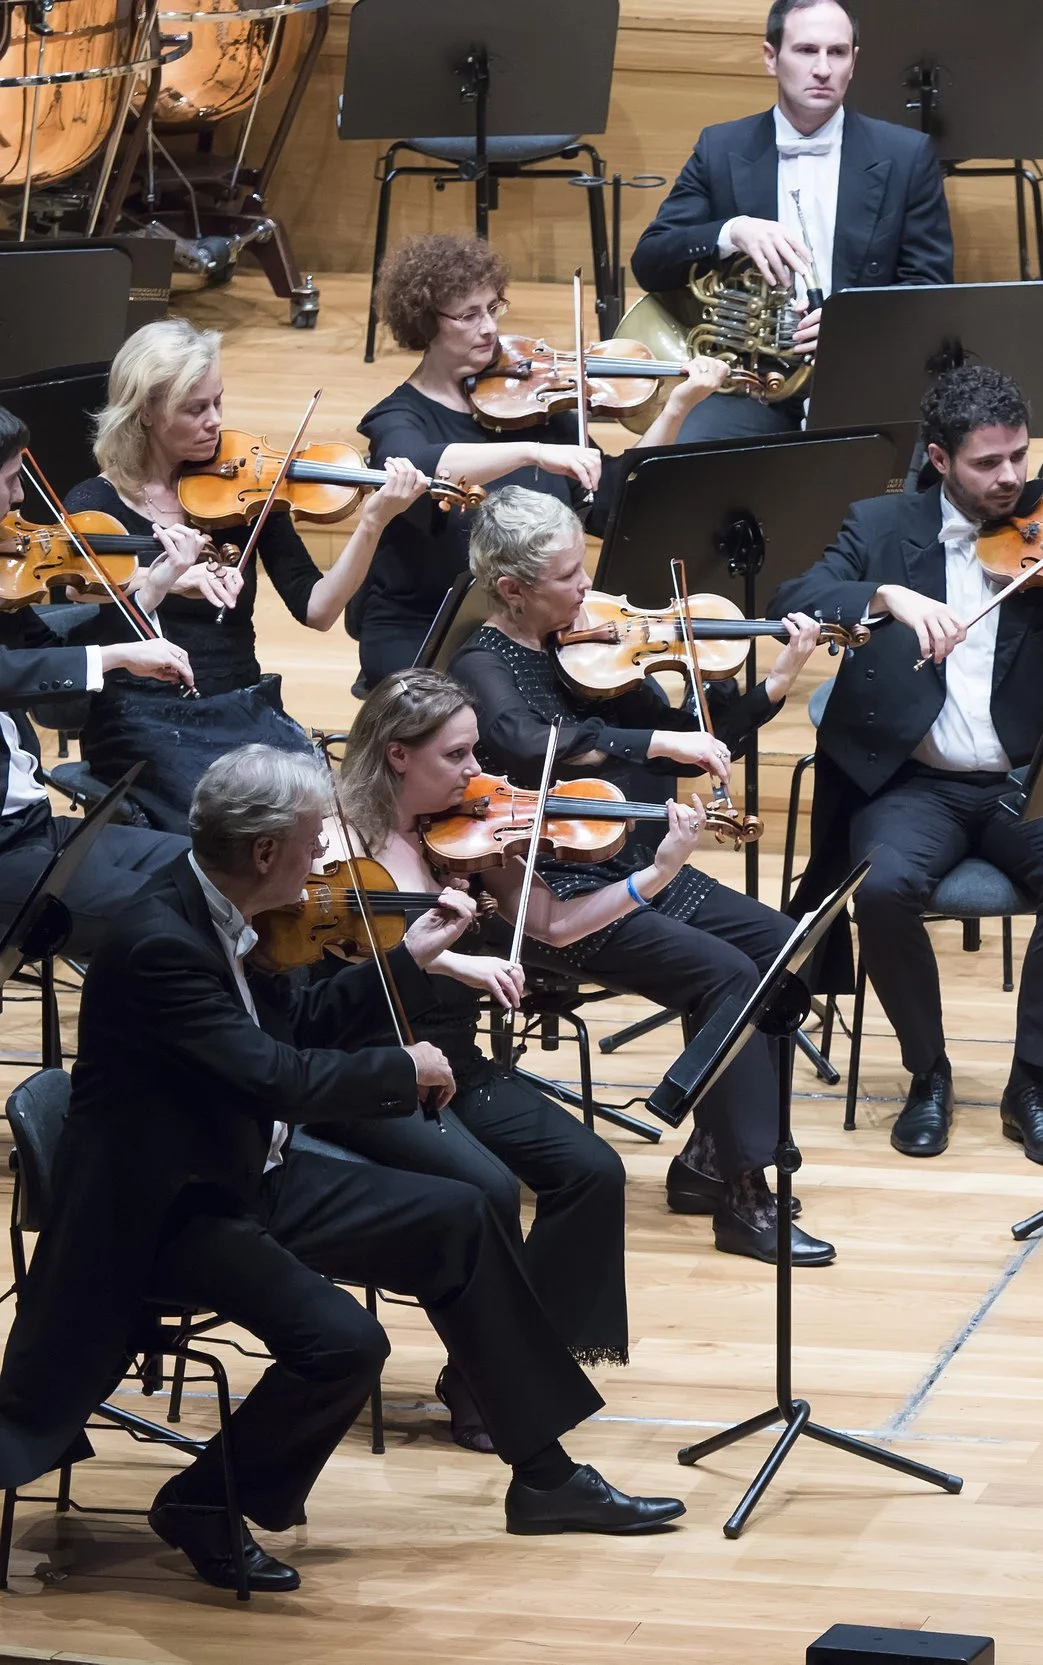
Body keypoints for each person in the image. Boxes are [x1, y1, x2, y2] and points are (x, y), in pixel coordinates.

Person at [0, 746, 684, 1595]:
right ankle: (207, 1503)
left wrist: (409, 959)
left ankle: (545, 1477)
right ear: (264, 851)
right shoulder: (160, 945)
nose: (325, 851)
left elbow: (304, 1025)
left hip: (245, 1172)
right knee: (345, 1343)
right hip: (166, 1210)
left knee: (460, 1216)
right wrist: (403, 1066)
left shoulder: (235, 914)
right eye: (312, 836)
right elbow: (276, 1076)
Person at [449, 488, 834, 1264]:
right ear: (512, 588)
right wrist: (655, 743)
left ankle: (708, 1161)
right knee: (727, 974)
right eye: (567, 576)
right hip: (555, 886)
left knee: (781, 946)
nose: (587, 587)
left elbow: (690, 738)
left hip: (638, 862)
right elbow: (528, 741)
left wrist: (775, 681)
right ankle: (747, 1196)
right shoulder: (482, 663)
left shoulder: (591, 648)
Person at [773, 364, 1043, 1168]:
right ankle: (928, 1072)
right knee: (882, 887)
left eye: (1019, 455)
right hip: (914, 784)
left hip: (1024, 779)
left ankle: (1031, 1081)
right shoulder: (881, 523)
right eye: (987, 463)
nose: (1011, 478)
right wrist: (887, 596)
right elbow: (800, 592)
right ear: (939, 458)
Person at [312, 668, 651, 1451]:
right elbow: (343, 957)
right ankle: (491, 1377)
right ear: (398, 754)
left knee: (592, 1171)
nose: (476, 771)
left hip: (456, 1059)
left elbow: (551, 923)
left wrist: (654, 872)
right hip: (373, 1069)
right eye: (457, 755)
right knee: (489, 1187)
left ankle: (504, 1365)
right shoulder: (336, 841)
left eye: (475, 752)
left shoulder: (461, 831)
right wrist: (455, 960)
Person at [66, 318, 431, 826]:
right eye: (195, 409)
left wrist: (372, 522)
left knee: (324, 817)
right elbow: (78, 612)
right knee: (235, 823)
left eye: (218, 402)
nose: (214, 421)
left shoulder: (246, 488)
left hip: (242, 704)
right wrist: (162, 580)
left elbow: (319, 608)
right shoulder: (94, 506)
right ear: (145, 411)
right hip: (141, 719)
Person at [355, 233, 728, 686]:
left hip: (536, 624)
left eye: (493, 308)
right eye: (469, 315)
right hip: (431, 627)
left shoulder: (530, 400)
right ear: (424, 322)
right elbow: (421, 466)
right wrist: (532, 453)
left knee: (637, 694)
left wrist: (677, 408)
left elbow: (612, 501)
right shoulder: (398, 418)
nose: (489, 328)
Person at [629, 0, 953, 441]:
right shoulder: (721, 148)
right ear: (771, 57)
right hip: (745, 383)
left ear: (854, 62)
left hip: (863, 375)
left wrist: (854, 325)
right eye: (805, 50)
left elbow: (930, 290)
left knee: (913, 470)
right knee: (678, 464)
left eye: (837, 52)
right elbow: (650, 261)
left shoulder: (906, 155)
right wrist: (731, 231)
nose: (822, 69)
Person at [0, 404, 196, 949]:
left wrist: (150, 590)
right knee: (167, 920)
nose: (20, 498)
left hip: (33, 826)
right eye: (10, 480)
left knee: (213, 873)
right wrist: (113, 656)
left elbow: (56, 682)